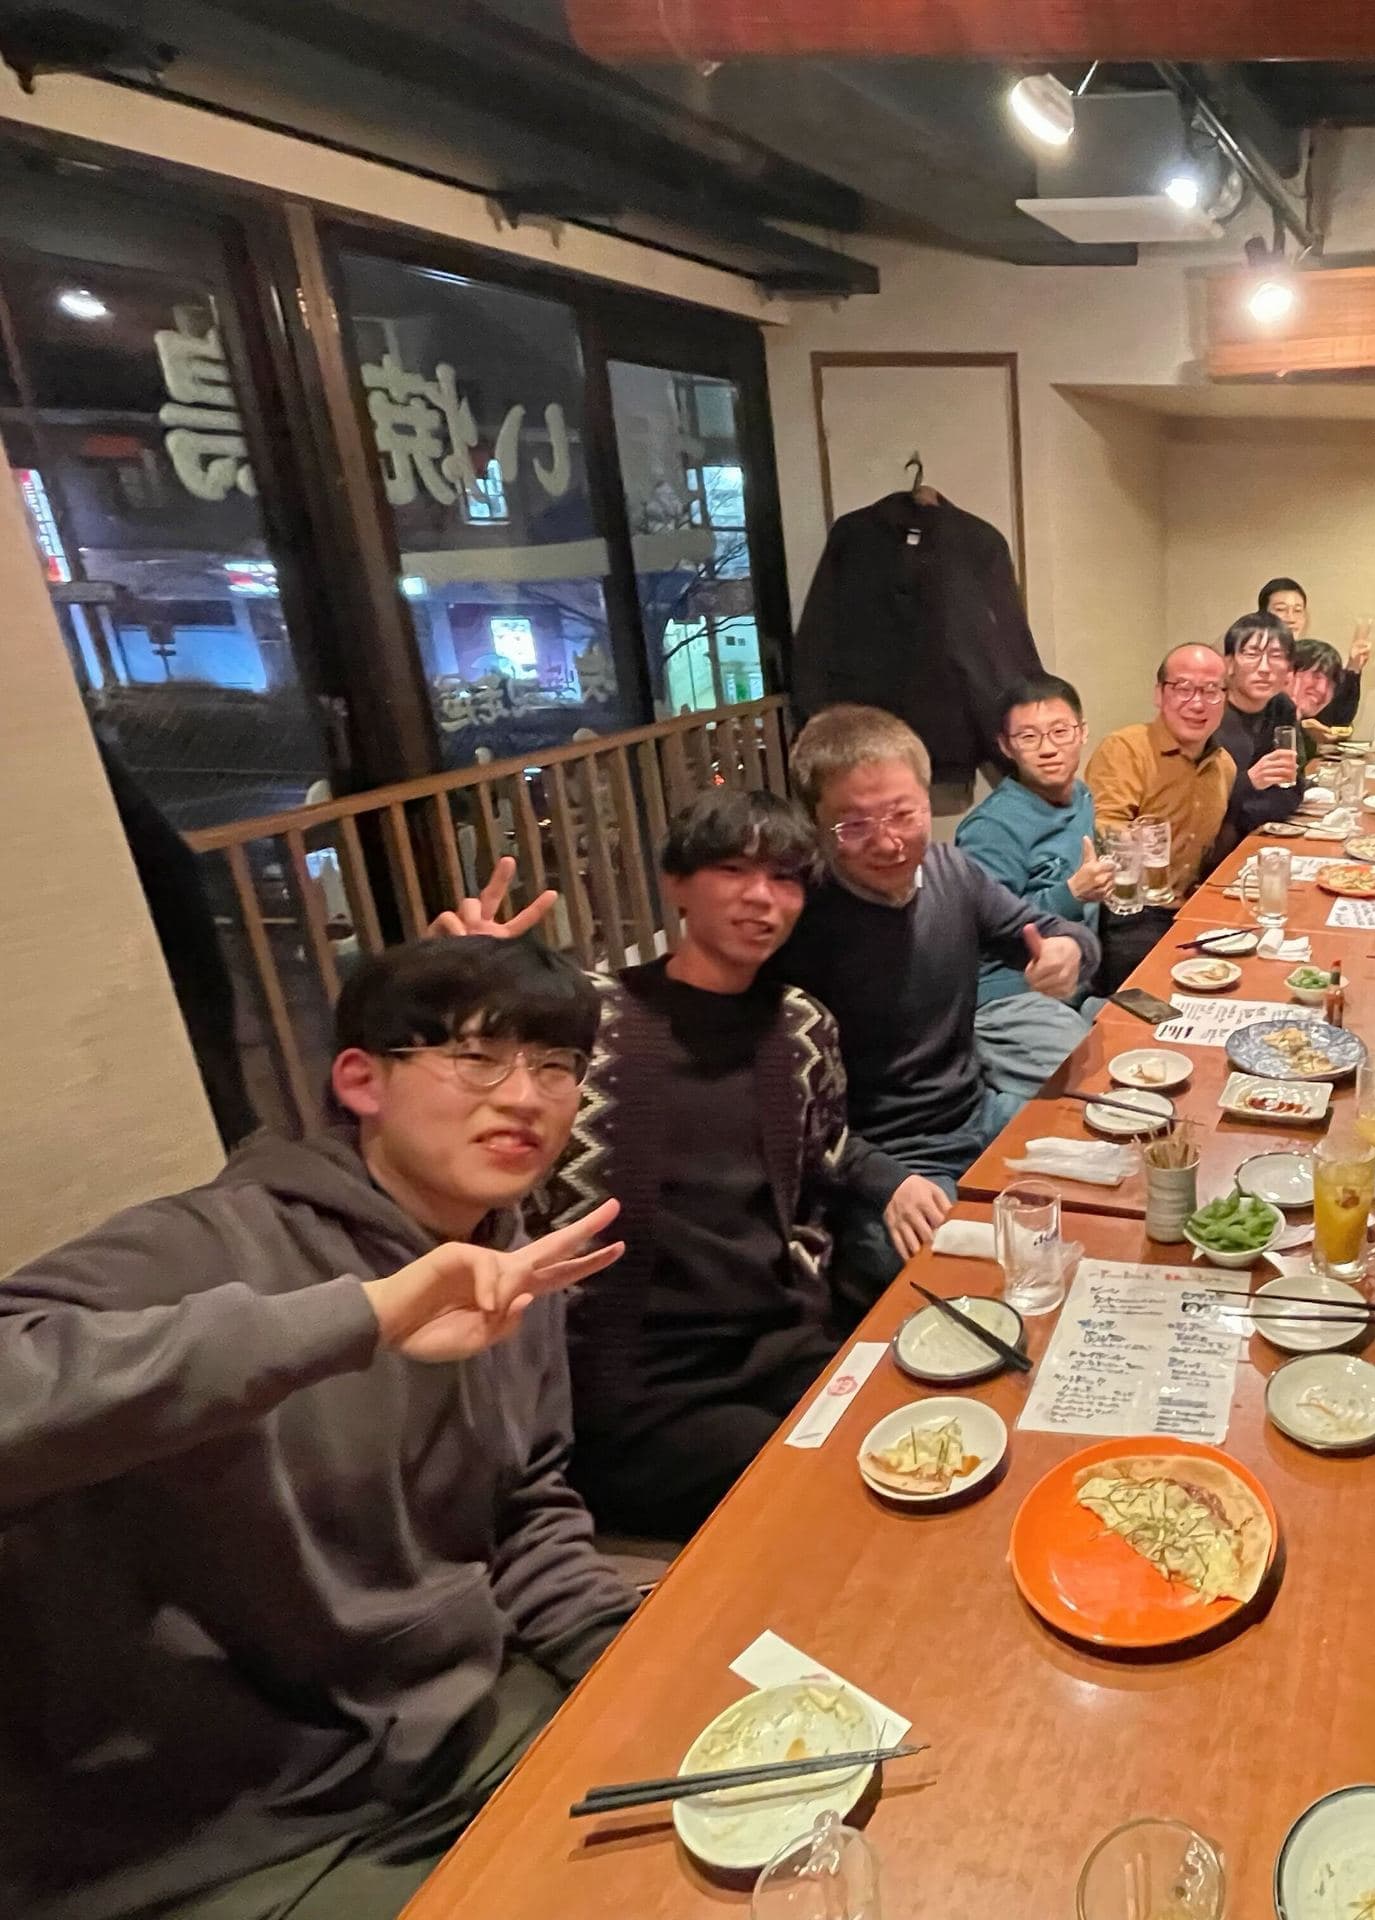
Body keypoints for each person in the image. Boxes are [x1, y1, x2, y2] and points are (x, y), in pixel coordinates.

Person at [0, 936, 635, 1920]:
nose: (525, 1097)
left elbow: (522, 1509)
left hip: (456, 1727)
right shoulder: (212, 1242)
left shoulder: (511, 1256)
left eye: (555, 1065)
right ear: (361, 1081)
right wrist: (364, 1317)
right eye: (476, 1058)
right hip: (229, 1822)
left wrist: (627, 1654)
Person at [436, 800, 867, 1543]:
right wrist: (465, 997)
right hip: (630, 1383)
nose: (761, 897)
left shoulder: (804, 1026)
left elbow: (819, 1189)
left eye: (785, 878)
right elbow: (438, 1118)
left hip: (779, 1346)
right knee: (819, 1499)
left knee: (907, 1438)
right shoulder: (584, 1018)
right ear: (676, 884)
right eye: (731, 870)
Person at [774, 706, 1099, 1280]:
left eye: (905, 814)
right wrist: (882, 1180)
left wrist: (1069, 950)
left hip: (979, 1111)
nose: (889, 842)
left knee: (1109, 1176)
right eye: (854, 826)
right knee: (959, 1279)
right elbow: (788, 1108)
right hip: (887, 1157)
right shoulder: (800, 921)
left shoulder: (951, 872)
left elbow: (1052, 932)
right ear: (815, 825)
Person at [955, 673, 1115, 1101]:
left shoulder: (1081, 797)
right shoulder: (991, 828)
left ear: (1082, 732)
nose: (1048, 749)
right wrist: (1072, 894)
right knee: (1103, 1090)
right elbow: (987, 927)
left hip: (1073, 991)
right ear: (1006, 747)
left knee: (1160, 1043)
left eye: (1060, 731)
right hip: (1007, 999)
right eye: (1028, 737)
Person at [1086, 643, 1239, 991]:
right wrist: (1141, 845)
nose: (1197, 703)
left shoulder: (1223, 765)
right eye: (1183, 688)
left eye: (1211, 691)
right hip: (1130, 914)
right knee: (1163, 998)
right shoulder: (1126, 749)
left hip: (1189, 908)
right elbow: (1103, 828)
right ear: (1159, 694)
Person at [1209, 610, 1307, 864]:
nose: (1264, 668)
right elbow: (1199, 805)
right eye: (1252, 654)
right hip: (1211, 857)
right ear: (1229, 663)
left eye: (1276, 656)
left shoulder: (1281, 707)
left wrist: (1244, 799)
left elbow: (1292, 791)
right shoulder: (1209, 713)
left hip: (1260, 845)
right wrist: (1250, 782)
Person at [1261, 575, 1369, 726]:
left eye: (1298, 610)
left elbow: (1336, 718)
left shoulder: (1306, 656)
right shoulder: (1254, 662)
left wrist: (1354, 666)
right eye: (1280, 609)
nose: (1291, 618)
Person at [1289, 637, 1352, 752]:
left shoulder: (1299, 727)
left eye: (1331, 683)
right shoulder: (1260, 723)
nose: (1322, 689)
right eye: (1316, 676)